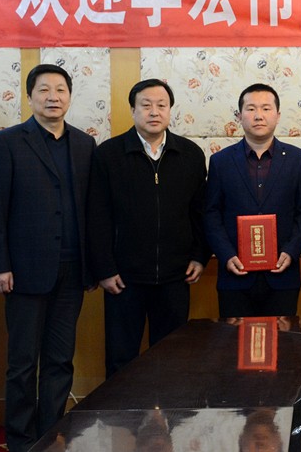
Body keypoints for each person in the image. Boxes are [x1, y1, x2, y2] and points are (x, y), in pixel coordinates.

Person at [0, 64, 96, 452]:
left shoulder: (84, 144)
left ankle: (50, 434)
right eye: (44, 90)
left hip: (72, 270)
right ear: (30, 97)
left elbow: (91, 210)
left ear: (69, 96)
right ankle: (19, 440)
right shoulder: (8, 142)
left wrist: (93, 266)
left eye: (60, 90)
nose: (53, 97)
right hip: (24, 271)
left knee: (61, 360)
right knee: (23, 362)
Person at [88, 78, 210, 377]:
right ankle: (120, 410)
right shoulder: (108, 154)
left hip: (176, 276)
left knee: (172, 359)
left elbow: (200, 212)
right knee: (121, 359)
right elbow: (97, 216)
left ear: (170, 110)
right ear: (132, 110)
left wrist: (199, 256)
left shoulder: (190, 154)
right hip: (123, 278)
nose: (154, 112)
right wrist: (105, 269)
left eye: (161, 105)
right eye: (146, 105)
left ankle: (168, 410)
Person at [205, 83, 301, 318]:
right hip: (235, 275)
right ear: (239, 116)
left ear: (278, 115)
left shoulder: (298, 160)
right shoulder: (220, 161)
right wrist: (226, 255)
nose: (259, 115)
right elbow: (211, 214)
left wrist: (292, 251)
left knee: (283, 339)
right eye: (251, 109)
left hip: (282, 275)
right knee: (234, 340)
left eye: (266, 108)